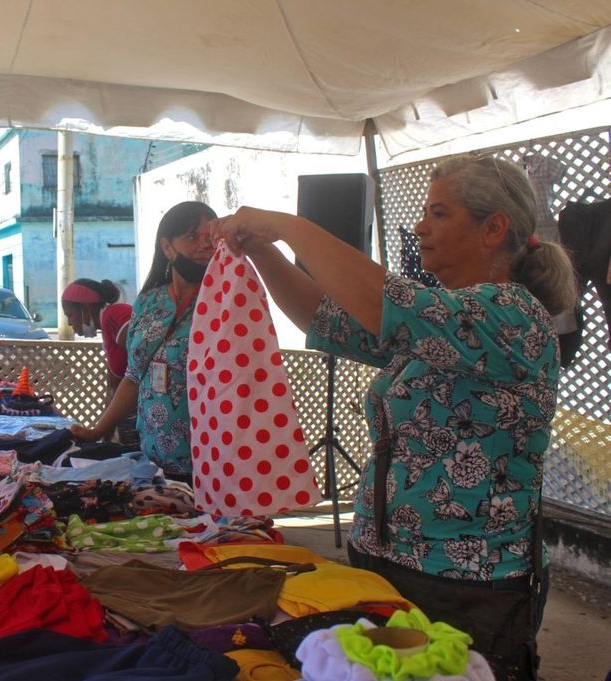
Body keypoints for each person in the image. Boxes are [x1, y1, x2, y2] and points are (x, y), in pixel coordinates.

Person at [212, 155, 577, 680]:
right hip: (388, 561)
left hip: (465, 582)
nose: (421, 228)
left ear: (493, 228)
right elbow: (325, 317)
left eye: (440, 214)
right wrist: (263, 251)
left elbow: (383, 301)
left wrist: (288, 226)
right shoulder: (443, 319)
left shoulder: (513, 316)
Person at [71, 201, 217, 481]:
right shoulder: (149, 302)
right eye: (192, 236)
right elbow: (133, 376)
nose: (204, 245)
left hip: (209, 462)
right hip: (152, 458)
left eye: (210, 237)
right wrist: (98, 430)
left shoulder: (224, 303)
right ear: (167, 247)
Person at [61, 278, 137, 446]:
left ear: (84, 307)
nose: (70, 323)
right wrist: (102, 434)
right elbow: (113, 389)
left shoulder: (114, 315)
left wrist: (99, 432)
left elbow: (143, 352)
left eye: (70, 315)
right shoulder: (108, 330)